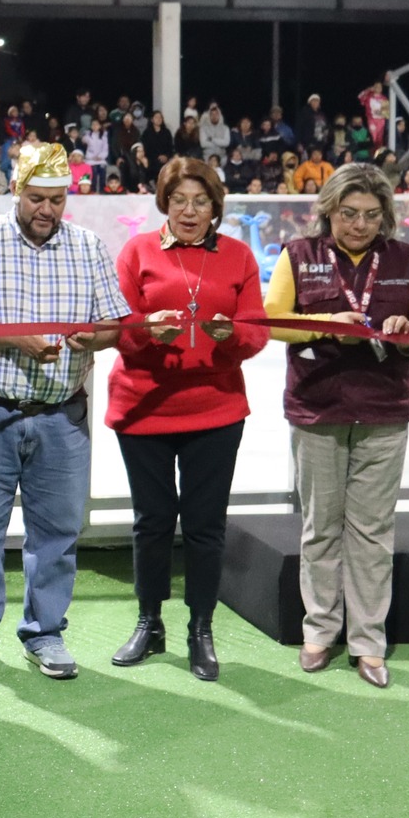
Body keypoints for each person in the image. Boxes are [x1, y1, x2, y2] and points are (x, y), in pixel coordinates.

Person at [0, 142, 129, 681]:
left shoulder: (89, 246)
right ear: (15, 192)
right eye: (36, 198)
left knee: (58, 532)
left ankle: (45, 633)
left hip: (61, 415)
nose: (46, 209)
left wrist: (94, 338)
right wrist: (13, 340)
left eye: (56, 199)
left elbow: (114, 324)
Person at [264, 163, 409, 689]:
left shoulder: (406, 259)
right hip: (317, 409)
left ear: (385, 216)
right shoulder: (299, 255)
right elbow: (270, 321)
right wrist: (320, 327)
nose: (359, 224)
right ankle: (319, 631)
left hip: (384, 411)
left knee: (371, 531)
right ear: (329, 212)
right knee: (320, 526)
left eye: (370, 215)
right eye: (348, 214)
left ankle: (368, 641)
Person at [105, 158, 269, 681]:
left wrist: (233, 338)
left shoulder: (238, 256)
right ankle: (149, 621)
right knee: (151, 523)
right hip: (145, 408)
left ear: (215, 207)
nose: (190, 211)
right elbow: (118, 328)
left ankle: (202, 626)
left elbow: (258, 331)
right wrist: (147, 332)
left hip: (215, 409)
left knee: (204, 528)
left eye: (200, 201)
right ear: (164, 204)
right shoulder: (137, 252)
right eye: (179, 200)